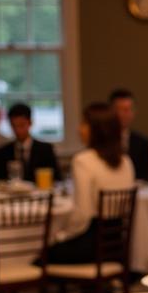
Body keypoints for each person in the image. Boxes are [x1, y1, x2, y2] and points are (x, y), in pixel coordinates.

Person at [47, 103, 136, 264]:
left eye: (84, 124)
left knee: (40, 255)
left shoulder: (83, 160)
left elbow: (83, 214)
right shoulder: (126, 160)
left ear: (97, 129)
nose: (79, 129)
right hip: (116, 245)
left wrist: (62, 235)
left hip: (90, 246)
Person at [0, 103, 60, 184]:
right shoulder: (3, 152)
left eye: (21, 125)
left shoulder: (45, 150)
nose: (18, 130)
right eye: (14, 126)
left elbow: (57, 178)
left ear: (30, 123)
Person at [109, 88, 148, 182]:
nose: (125, 114)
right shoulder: (102, 140)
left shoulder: (142, 142)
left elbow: (145, 176)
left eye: (128, 109)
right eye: (121, 110)